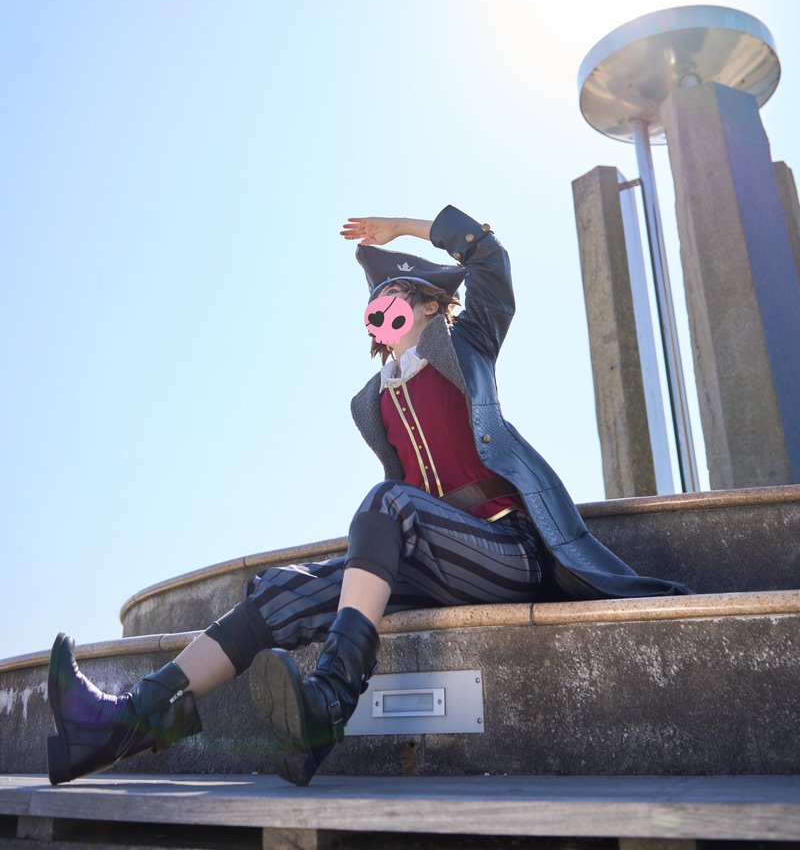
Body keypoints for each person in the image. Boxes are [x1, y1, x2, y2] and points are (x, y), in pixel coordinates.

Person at [47, 205, 689, 789]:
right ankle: (117, 725)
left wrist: (403, 228)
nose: (383, 311)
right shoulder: (373, 401)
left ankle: (329, 699)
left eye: (397, 296)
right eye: (376, 304)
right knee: (281, 592)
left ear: (432, 305)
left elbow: (490, 259)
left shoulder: (467, 347)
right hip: (435, 563)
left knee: (388, 503)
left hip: (510, 550)